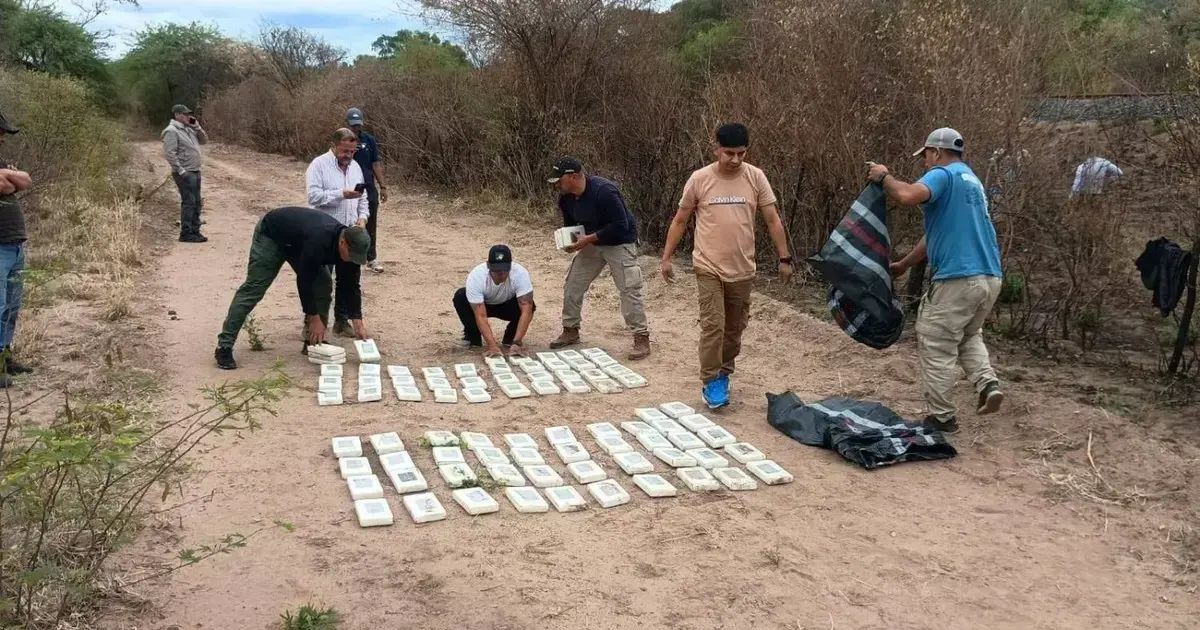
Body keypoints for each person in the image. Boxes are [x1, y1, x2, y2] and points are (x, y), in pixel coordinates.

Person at [868, 127, 1005, 433]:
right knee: (969, 335)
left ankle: (942, 417)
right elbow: (935, 237)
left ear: (937, 152)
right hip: (990, 277)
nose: (925, 164)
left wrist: (883, 176)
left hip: (957, 277)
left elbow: (906, 195)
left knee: (935, 340)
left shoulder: (944, 174)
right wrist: (903, 264)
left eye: (926, 157)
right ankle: (987, 383)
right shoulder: (973, 182)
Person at [661, 123, 793, 410]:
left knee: (734, 329)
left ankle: (724, 372)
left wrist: (784, 259)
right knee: (713, 326)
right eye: (729, 153)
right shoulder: (700, 179)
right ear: (716, 149)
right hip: (708, 265)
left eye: (741, 154)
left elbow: (772, 219)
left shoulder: (756, 177)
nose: (735, 160)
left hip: (743, 267)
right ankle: (711, 381)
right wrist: (666, 258)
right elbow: (681, 219)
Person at [213, 206, 371, 370]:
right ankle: (224, 346)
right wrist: (313, 318)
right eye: (351, 255)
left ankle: (314, 342)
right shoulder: (319, 239)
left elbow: (351, 286)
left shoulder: (353, 248)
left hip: (300, 242)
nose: (353, 259)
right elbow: (304, 280)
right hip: (273, 236)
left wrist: (357, 321)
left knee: (323, 286)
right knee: (254, 289)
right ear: (342, 242)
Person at [548, 157, 650, 360]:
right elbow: (571, 227)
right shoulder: (566, 198)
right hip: (591, 244)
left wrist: (588, 239)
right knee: (573, 284)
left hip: (619, 242)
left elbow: (620, 224)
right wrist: (571, 243)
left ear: (574, 176)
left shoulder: (605, 191)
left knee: (629, 289)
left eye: (560, 180)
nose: (557, 184)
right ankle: (570, 329)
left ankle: (641, 336)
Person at [305, 128, 369, 339]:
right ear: (333, 146)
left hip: (350, 232)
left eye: (352, 151)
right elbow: (313, 197)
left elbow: (363, 198)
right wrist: (341, 194)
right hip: (325, 233)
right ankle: (313, 321)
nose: (348, 155)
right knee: (321, 280)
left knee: (349, 280)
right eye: (345, 151)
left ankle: (342, 321)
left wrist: (363, 218)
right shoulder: (318, 165)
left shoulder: (356, 167)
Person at [0, 110, 35, 386]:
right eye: (0, 133)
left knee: (12, 305)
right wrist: (9, 179)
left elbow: (25, 179)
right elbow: (8, 182)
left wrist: (9, 177)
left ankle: (5, 355)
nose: (2, 139)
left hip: (15, 244)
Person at [453, 245, 536, 357]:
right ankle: (473, 338)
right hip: (484, 304)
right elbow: (481, 315)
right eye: (496, 269)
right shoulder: (477, 276)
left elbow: (526, 309)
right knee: (461, 296)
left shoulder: (520, 274)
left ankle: (511, 340)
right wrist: (492, 346)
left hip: (507, 304)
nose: (500, 273)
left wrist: (517, 342)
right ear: (488, 265)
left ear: (510, 266)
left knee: (530, 305)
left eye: (504, 269)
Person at [346, 108, 388, 273]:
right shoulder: (342, 141)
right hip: (349, 188)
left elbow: (375, 163)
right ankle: (347, 257)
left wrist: (382, 186)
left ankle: (371, 258)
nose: (356, 128)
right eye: (353, 125)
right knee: (349, 221)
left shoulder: (368, 140)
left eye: (358, 125)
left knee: (370, 223)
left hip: (368, 187)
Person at [161, 104, 209, 243]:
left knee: (197, 202)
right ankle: (186, 233)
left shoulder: (189, 129)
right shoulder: (172, 131)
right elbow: (169, 153)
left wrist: (197, 126)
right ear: (177, 115)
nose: (188, 117)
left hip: (195, 170)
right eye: (185, 114)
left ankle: (195, 231)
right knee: (189, 202)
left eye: (189, 114)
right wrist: (181, 170)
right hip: (185, 172)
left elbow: (204, 140)